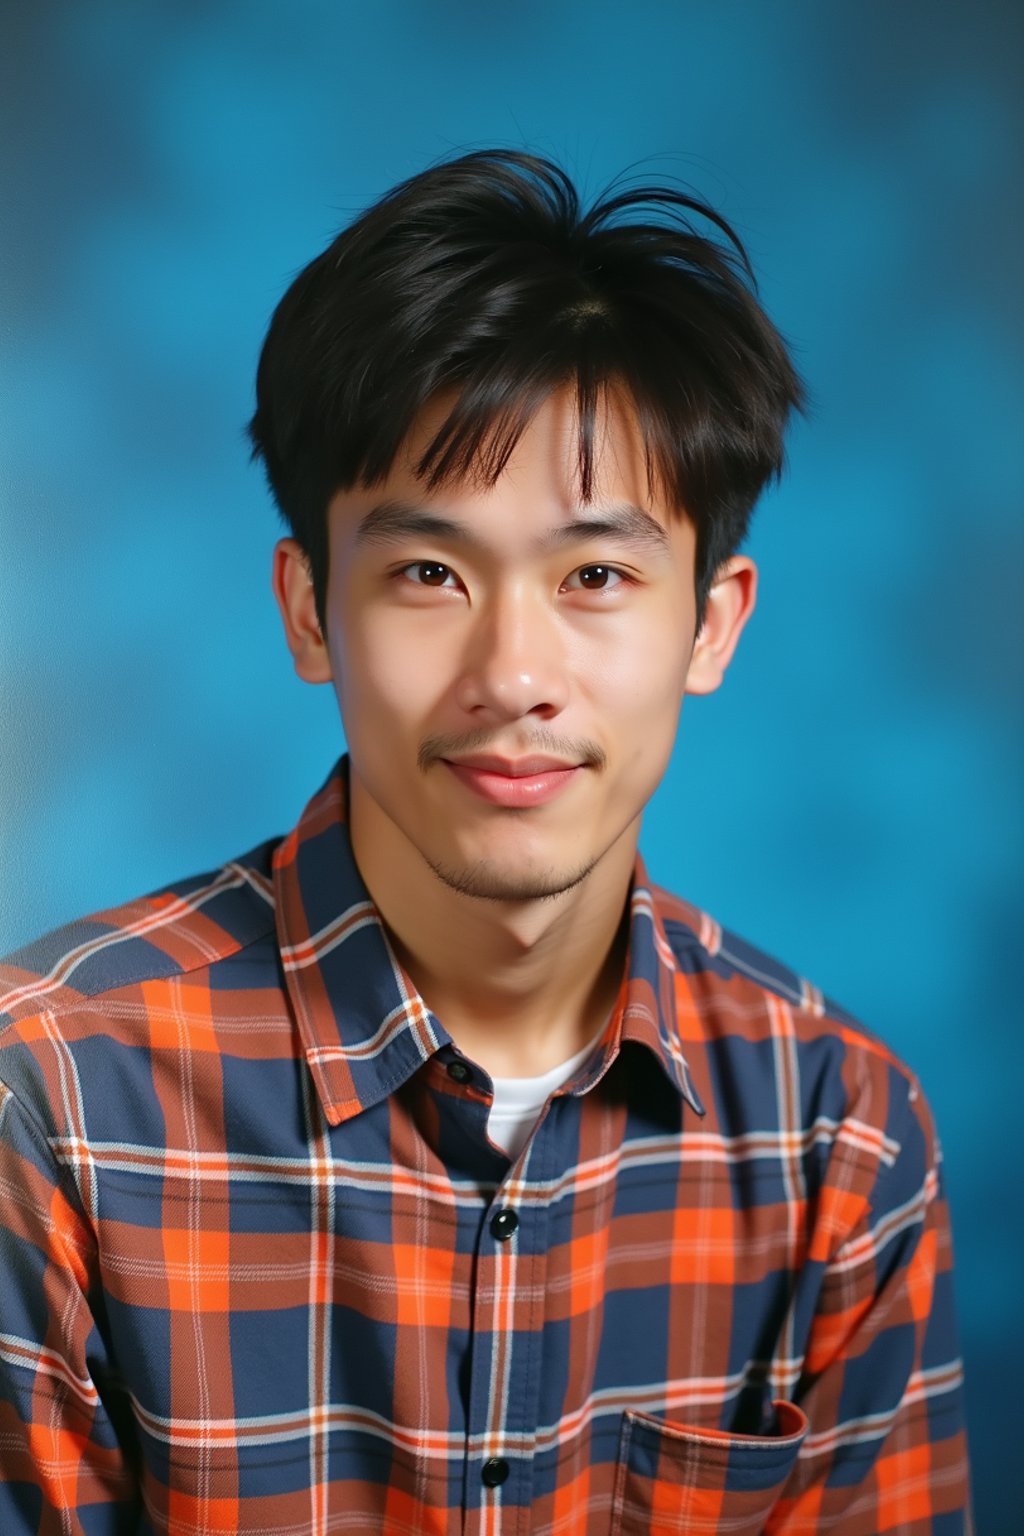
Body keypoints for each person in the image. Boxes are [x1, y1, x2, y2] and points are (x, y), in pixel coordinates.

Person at [0, 149, 970, 1534]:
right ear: (309, 611)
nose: (513, 674)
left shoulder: (842, 1137)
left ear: (712, 622)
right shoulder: (49, 1103)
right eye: (428, 574)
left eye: (595, 576)